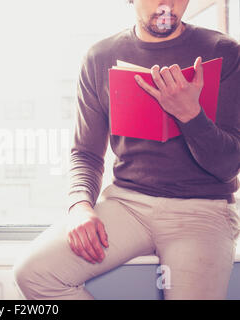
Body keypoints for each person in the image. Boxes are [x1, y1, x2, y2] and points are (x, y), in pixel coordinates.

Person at [12, 0, 240, 300]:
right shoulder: (99, 57)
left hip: (202, 210)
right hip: (128, 204)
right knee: (34, 274)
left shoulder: (223, 51)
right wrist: (80, 207)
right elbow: (85, 153)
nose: (167, 3)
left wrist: (191, 116)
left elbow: (229, 165)